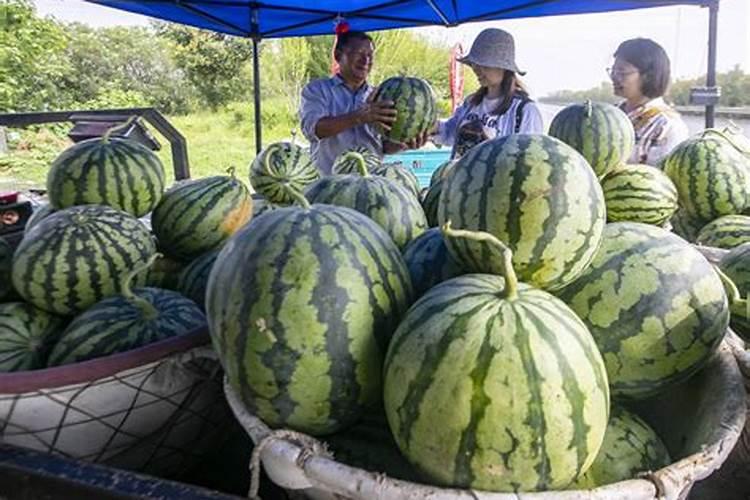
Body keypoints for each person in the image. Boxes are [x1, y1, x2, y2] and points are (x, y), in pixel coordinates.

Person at [299, 30, 426, 175]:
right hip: (329, 186)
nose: (366, 60)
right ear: (338, 55)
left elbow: (384, 146)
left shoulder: (380, 94)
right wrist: (359, 117)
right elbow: (314, 129)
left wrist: (404, 143)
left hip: (370, 186)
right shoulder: (316, 90)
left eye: (370, 55)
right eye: (359, 53)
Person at [432, 28, 544, 158]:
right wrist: (428, 126)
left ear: (504, 68)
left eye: (484, 65)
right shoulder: (471, 102)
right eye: (475, 64)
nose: (476, 70)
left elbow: (530, 161)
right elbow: (450, 133)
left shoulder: (525, 111)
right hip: (459, 178)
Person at [609, 38, 689, 166]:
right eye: (613, 71)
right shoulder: (609, 115)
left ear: (648, 76)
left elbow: (660, 179)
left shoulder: (668, 126)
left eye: (622, 72)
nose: (614, 77)